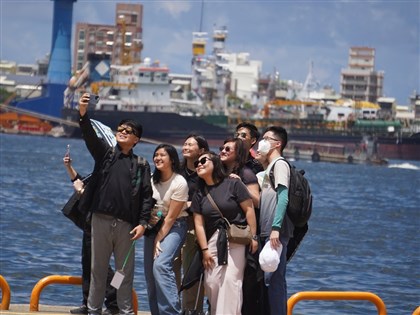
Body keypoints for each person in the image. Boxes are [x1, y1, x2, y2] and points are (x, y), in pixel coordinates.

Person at [78, 92, 153, 315]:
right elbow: (90, 135)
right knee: (97, 269)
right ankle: (93, 310)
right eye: (120, 129)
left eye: (128, 131)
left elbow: (147, 196)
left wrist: (142, 223)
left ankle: (124, 310)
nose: (122, 132)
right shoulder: (105, 154)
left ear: (136, 139)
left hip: (127, 227)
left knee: (123, 273)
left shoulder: (141, 164)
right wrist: (83, 114)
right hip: (100, 221)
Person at [191, 151, 258, 315]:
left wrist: (254, 236)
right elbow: (198, 224)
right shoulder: (199, 192)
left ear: (215, 162)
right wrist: (205, 250)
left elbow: (249, 210)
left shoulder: (233, 184)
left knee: (231, 282)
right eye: (196, 163)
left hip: (236, 239)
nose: (199, 164)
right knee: (211, 282)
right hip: (212, 241)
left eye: (203, 160)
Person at [63, 155, 119, 315]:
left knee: (105, 268)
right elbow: (80, 181)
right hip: (90, 226)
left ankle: (115, 301)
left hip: (104, 227)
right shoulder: (99, 174)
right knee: (87, 265)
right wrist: (69, 167)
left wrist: (81, 191)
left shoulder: (113, 178)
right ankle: (88, 303)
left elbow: (97, 198)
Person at [144, 144, 189, 315]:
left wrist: (158, 240)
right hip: (153, 227)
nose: (158, 158)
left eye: (162, 155)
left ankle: (171, 312)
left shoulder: (179, 182)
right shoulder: (151, 181)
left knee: (161, 265)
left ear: (172, 159)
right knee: (150, 276)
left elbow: (171, 217)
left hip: (175, 226)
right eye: (156, 155)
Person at [255, 126, 294, 315]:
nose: (262, 141)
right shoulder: (270, 165)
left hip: (275, 231)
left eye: (266, 138)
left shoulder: (280, 164)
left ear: (278, 143)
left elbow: (283, 196)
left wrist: (276, 228)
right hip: (267, 230)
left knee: (275, 279)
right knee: (268, 278)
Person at [179, 134, 209, 312]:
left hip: (195, 225)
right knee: (168, 268)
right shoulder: (176, 171)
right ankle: (173, 307)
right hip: (173, 223)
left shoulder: (205, 174)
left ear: (202, 151)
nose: (186, 146)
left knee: (192, 271)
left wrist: (188, 205)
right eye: (185, 143)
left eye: (191, 144)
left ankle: (191, 309)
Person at [219, 137, 260, 209]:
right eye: (221, 148)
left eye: (227, 149)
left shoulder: (246, 173)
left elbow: (257, 202)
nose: (223, 151)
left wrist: (241, 185)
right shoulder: (219, 171)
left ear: (238, 153)